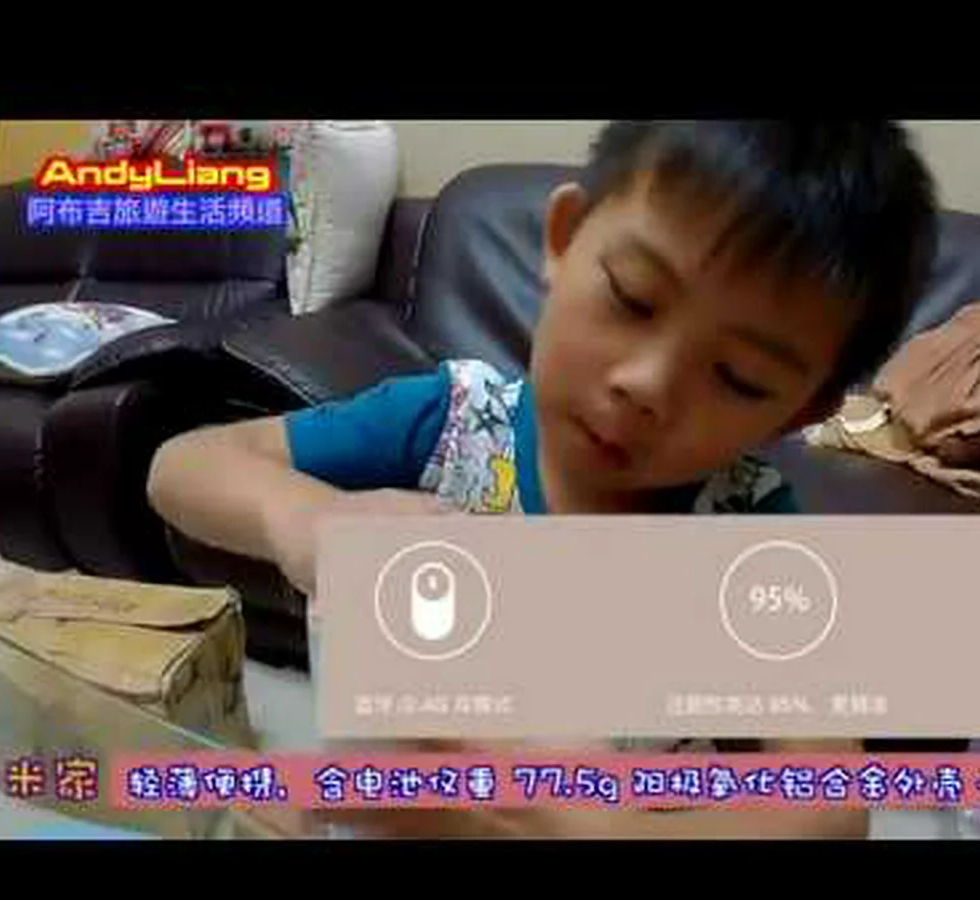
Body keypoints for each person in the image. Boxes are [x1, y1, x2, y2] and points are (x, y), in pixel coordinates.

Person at [147, 120, 939, 838]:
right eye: (633, 300)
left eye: (737, 378)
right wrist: (305, 518)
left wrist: (614, 832)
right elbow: (181, 466)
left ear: (798, 412)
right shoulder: (450, 422)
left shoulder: (754, 538)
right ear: (564, 237)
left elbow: (831, 810)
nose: (647, 385)